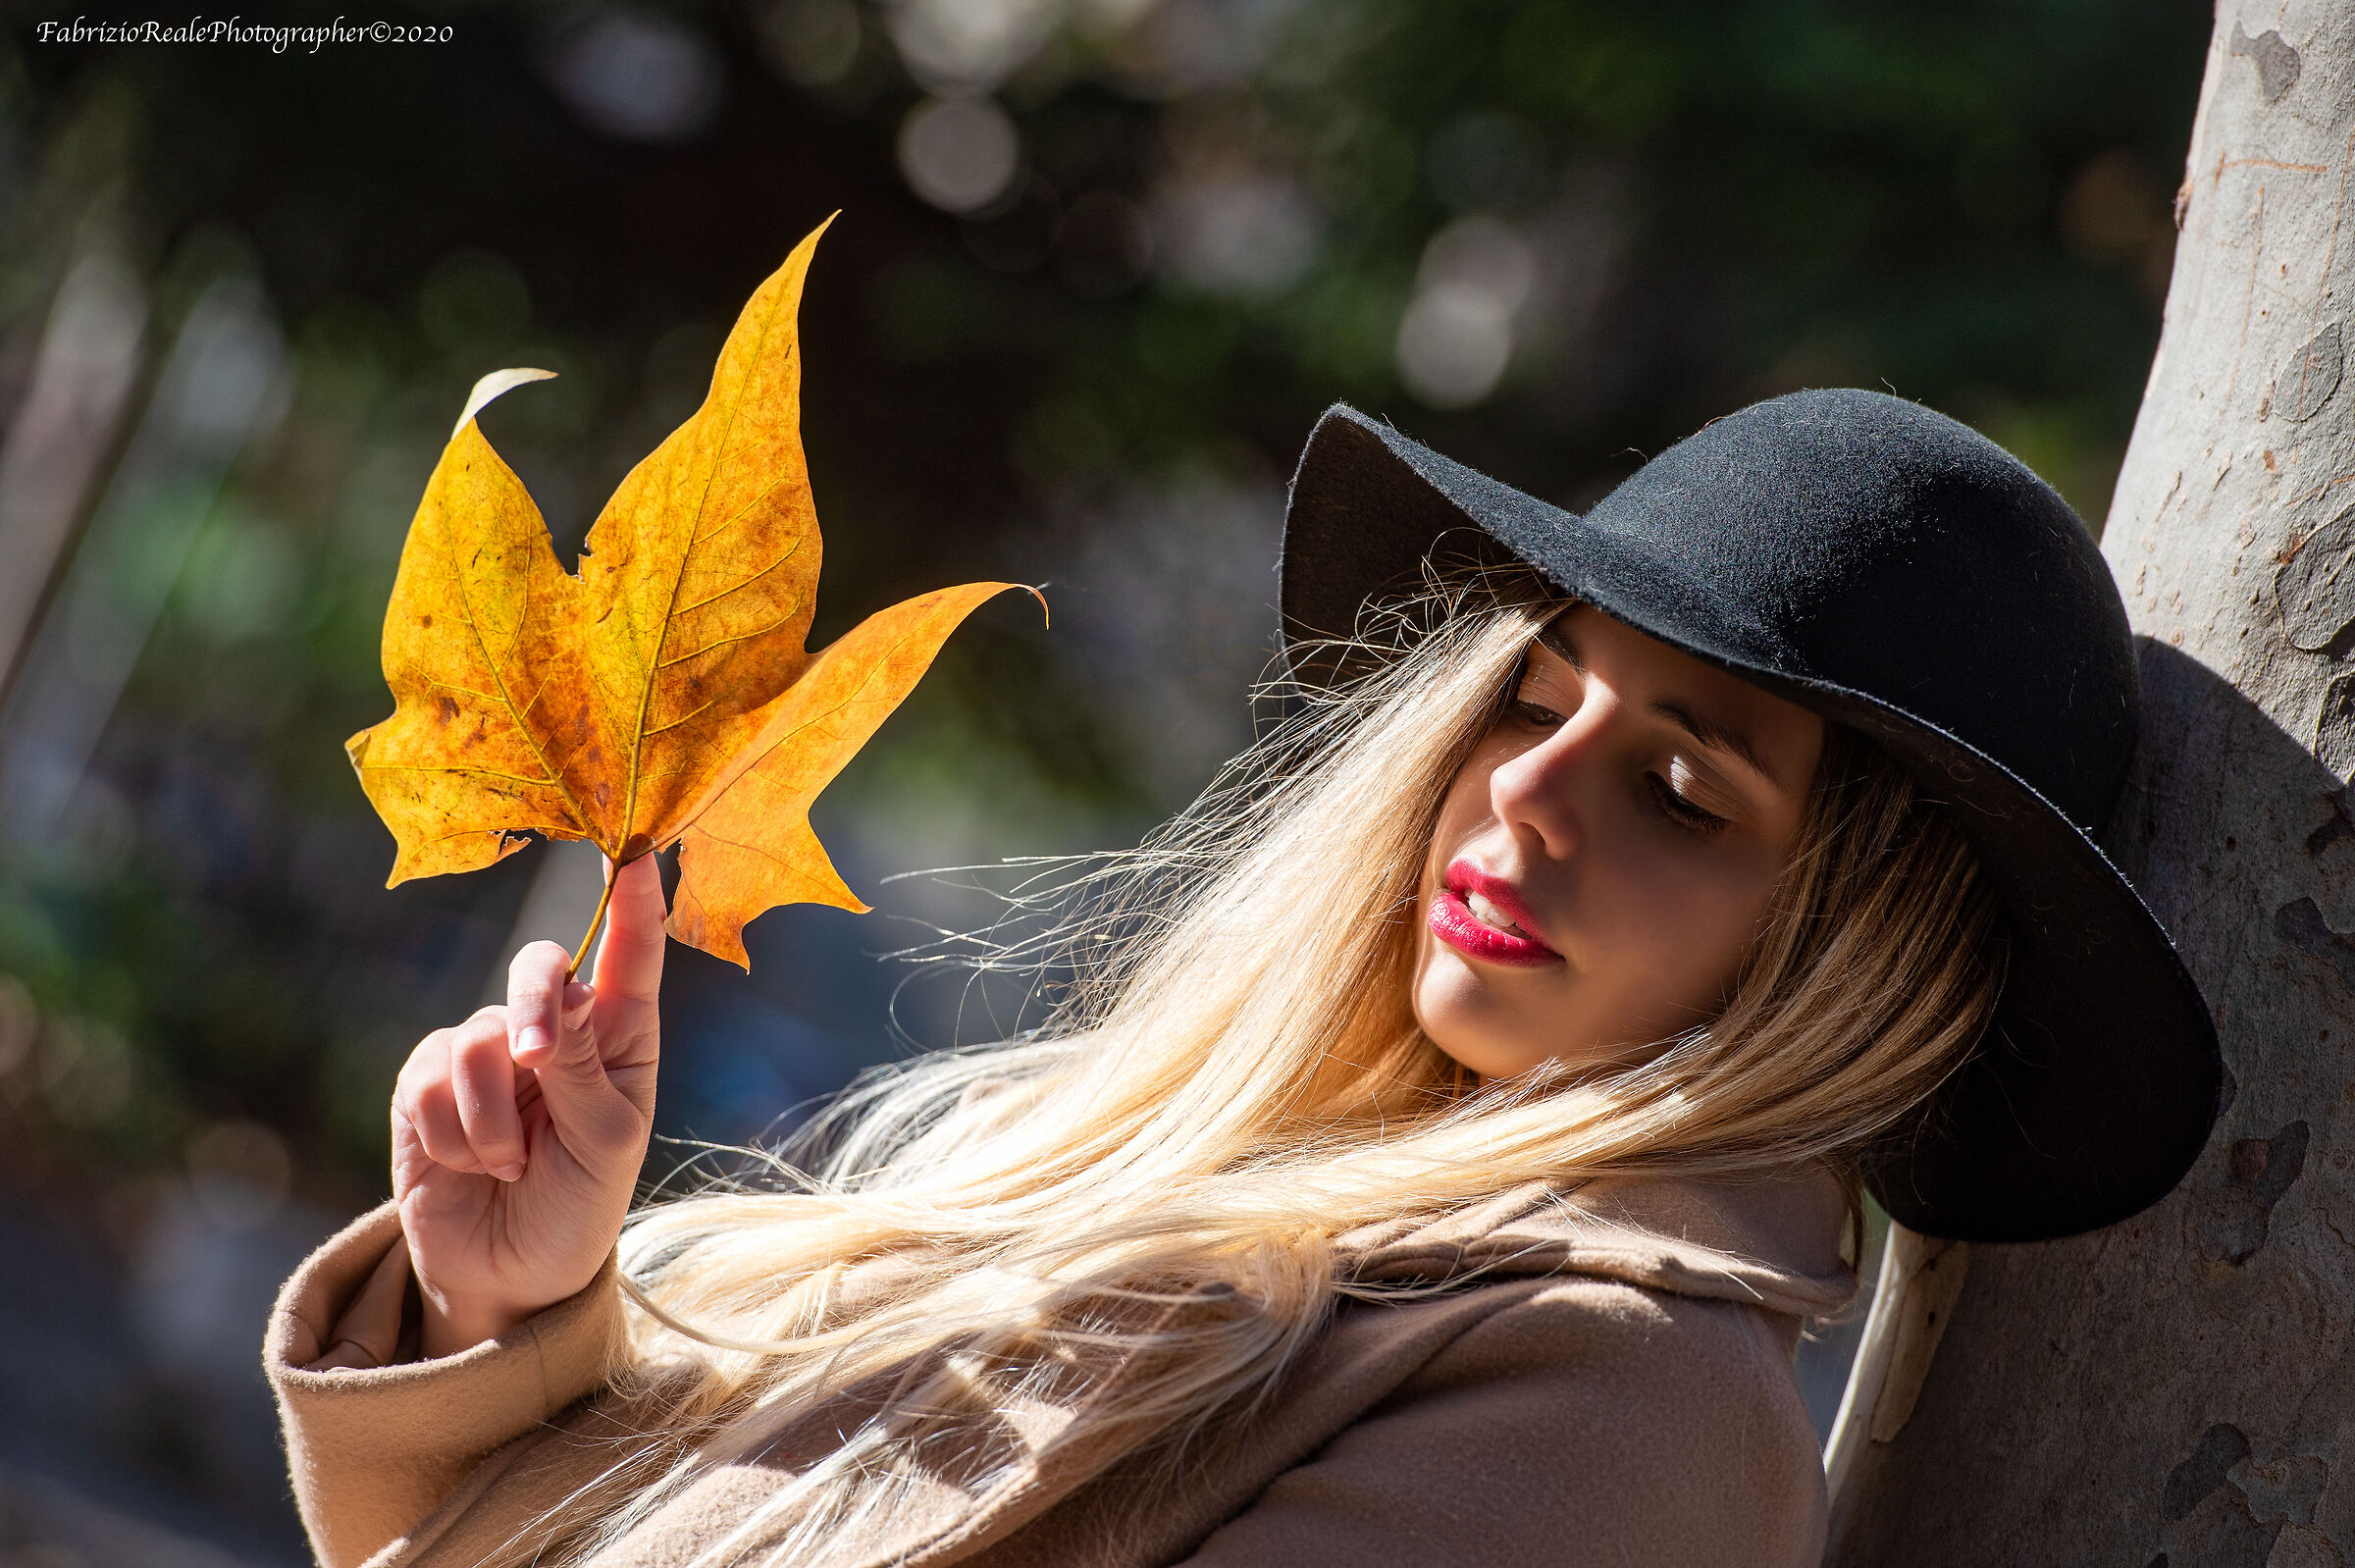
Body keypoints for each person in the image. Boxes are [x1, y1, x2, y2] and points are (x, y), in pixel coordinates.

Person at [266, 389, 2221, 1568]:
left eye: (1682, 792)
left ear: (1851, 961)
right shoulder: (1250, 1213)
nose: (1517, 797)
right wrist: (512, 1314)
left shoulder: (1630, 1419)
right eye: (1530, 697)